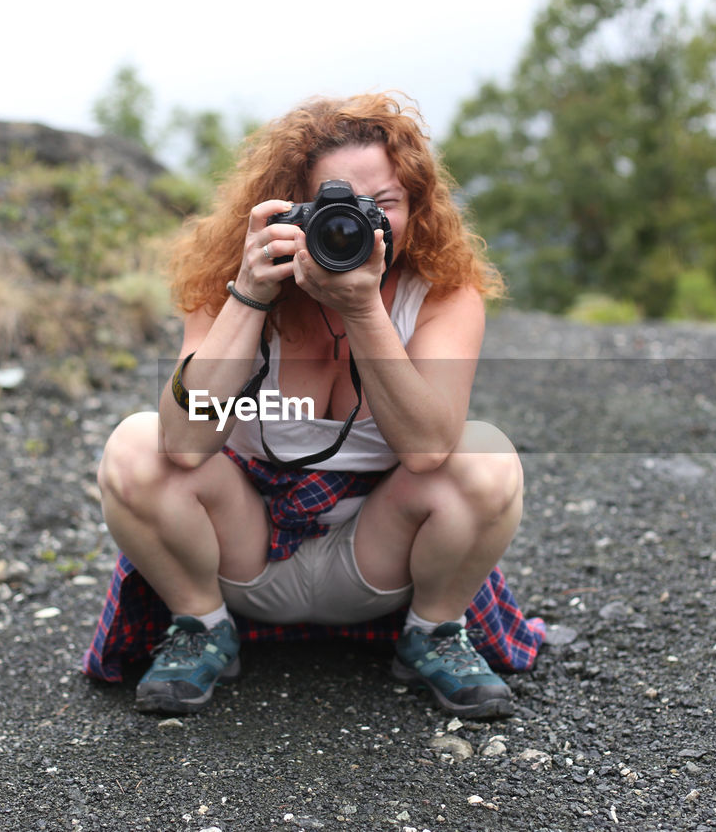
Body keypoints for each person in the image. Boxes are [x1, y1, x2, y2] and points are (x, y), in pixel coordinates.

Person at [82, 93, 544, 718]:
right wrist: (248, 295)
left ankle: (432, 633)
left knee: (486, 455)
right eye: (334, 206)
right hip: (241, 554)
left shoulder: (440, 295)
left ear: (417, 205)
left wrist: (362, 310)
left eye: (383, 205)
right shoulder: (233, 281)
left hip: (381, 558)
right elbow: (186, 443)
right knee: (135, 443)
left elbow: (429, 447)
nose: (355, 224)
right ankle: (202, 627)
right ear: (284, 209)